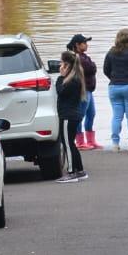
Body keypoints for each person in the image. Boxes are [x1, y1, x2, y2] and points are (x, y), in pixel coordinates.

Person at [102, 28, 128, 151]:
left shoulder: (110, 53)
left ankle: (115, 144)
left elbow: (105, 70)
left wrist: (113, 79)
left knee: (116, 116)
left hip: (114, 87)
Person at [54, 50, 89, 183]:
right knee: (71, 143)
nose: (60, 66)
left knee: (67, 144)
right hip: (72, 115)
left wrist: (60, 77)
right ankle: (80, 170)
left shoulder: (70, 81)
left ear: (67, 65)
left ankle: (71, 172)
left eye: (61, 63)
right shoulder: (75, 78)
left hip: (68, 117)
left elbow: (60, 92)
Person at [68, 34, 100, 149]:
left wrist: (92, 66)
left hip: (89, 89)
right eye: (84, 43)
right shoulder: (76, 57)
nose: (87, 45)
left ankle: (90, 141)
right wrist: (93, 66)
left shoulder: (83, 56)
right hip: (82, 90)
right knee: (79, 115)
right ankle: (80, 142)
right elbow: (90, 68)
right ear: (77, 45)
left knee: (91, 114)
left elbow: (91, 68)